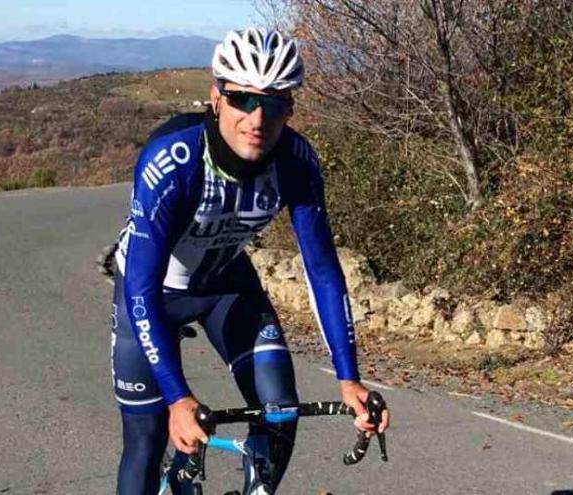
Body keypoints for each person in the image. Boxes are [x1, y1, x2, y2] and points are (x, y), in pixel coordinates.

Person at [110, 27, 390, 495]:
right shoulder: (173, 161)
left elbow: (322, 270)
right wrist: (178, 398)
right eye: (242, 100)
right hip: (153, 294)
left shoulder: (296, 161)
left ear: (290, 110)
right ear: (216, 97)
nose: (257, 118)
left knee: (278, 410)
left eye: (275, 104)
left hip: (226, 285)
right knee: (147, 437)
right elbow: (140, 286)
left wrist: (349, 378)